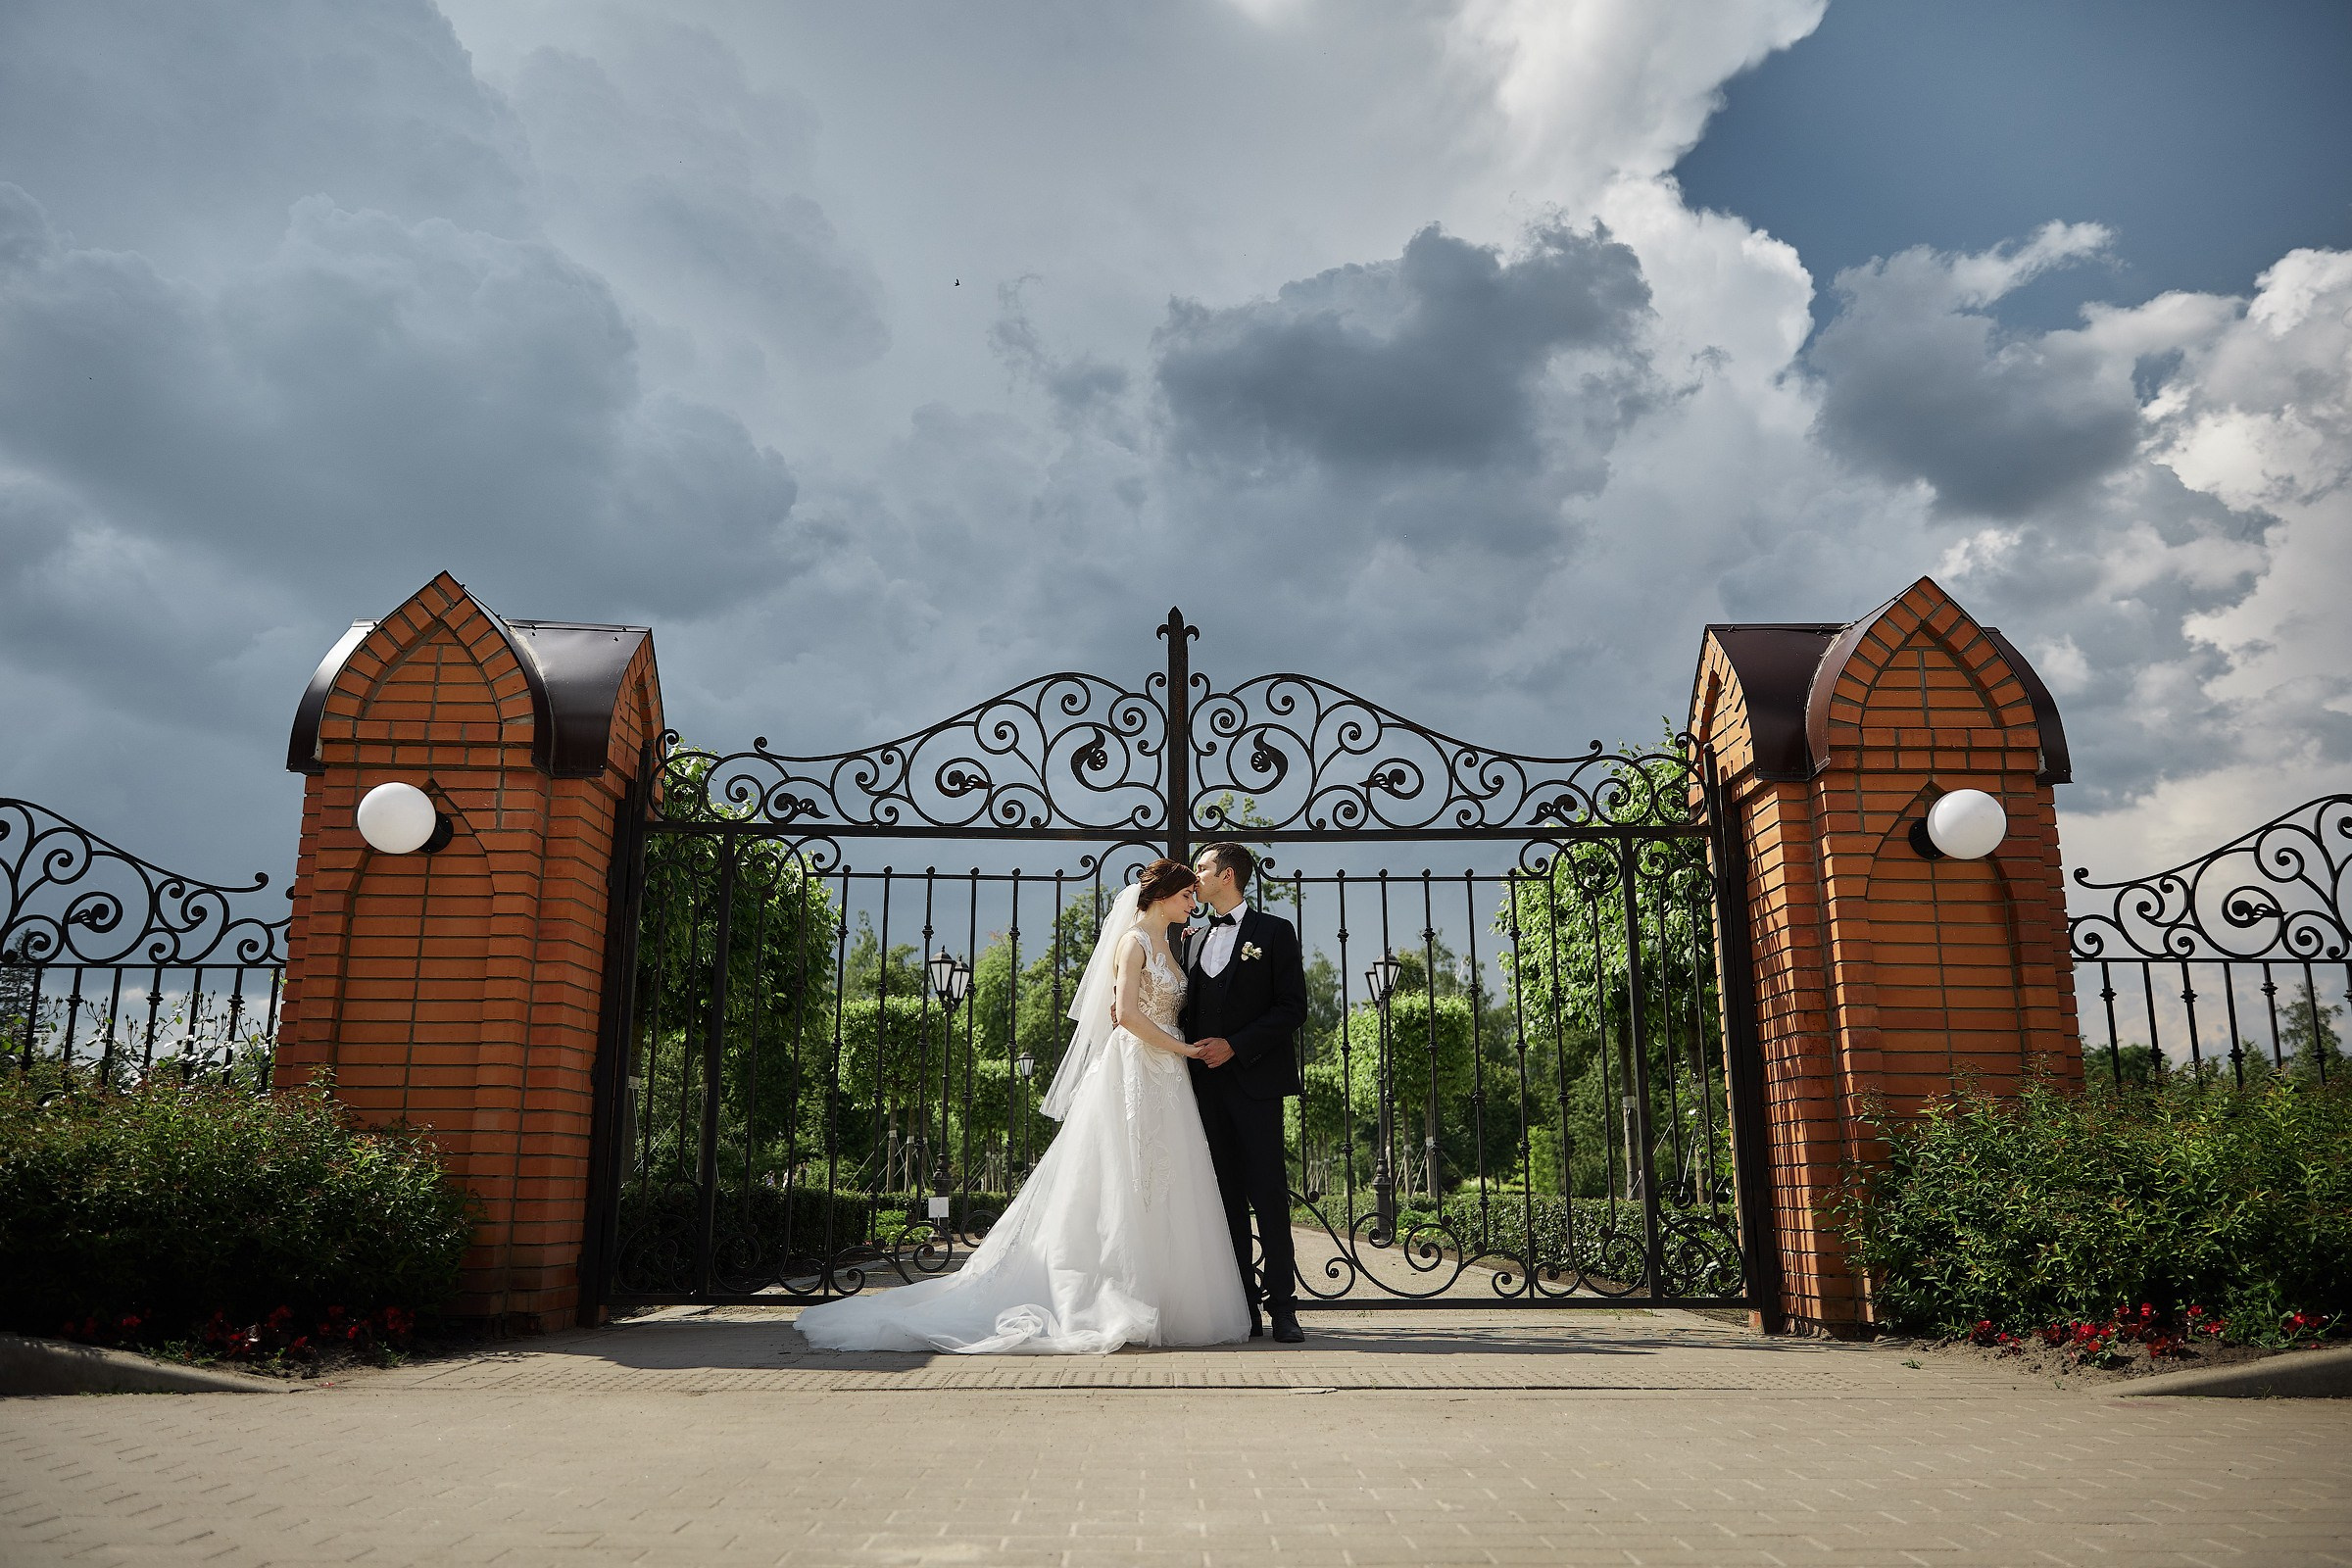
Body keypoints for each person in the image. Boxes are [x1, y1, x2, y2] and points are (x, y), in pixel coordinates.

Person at [794, 858, 1250, 1354]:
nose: (1192, 903)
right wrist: (1185, 1049)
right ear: (1164, 896)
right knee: (1123, 1176)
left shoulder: (1173, 941)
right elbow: (1128, 1017)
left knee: (1164, 1181)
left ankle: (1163, 1298)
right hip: (1137, 1068)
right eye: (1186, 896)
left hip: (1168, 1078)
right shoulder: (1132, 941)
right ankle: (1110, 1294)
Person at [1184, 842, 1311, 1343]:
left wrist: (1235, 1045)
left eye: (1202, 867)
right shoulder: (1191, 939)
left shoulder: (1275, 932)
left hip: (1257, 1084)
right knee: (1224, 1201)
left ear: (1228, 874)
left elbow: (1292, 1008)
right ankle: (1243, 1308)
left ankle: (1284, 1308)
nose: (1195, 875)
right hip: (1203, 1089)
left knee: (1269, 1196)